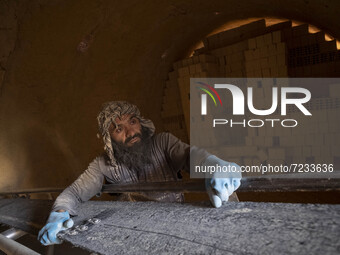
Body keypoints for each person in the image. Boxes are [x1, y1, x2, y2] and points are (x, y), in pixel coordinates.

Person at [38, 101, 241, 245]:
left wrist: (211, 164)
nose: (131, 132)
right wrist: (59, 213)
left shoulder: (163, 143)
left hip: (175, 227)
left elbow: (190, 155)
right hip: (130, 233)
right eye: (118, 129)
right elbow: (74, 193)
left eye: (132, 122)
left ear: (140, 123)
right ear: (109, 138)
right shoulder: (102, 164)